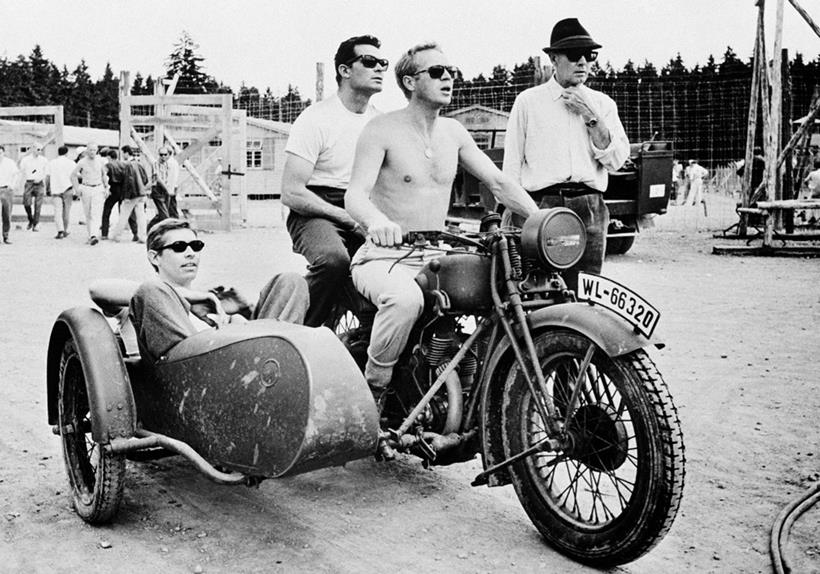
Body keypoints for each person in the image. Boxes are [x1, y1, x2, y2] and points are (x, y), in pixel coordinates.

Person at [345, 42, 539, 399]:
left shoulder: (454, 133)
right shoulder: (381, 130)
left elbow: (498, 182)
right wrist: (376, 222)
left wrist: (541, 219)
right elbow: (354, 195)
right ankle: (374, 389)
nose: (447, 78)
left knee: (495, 296)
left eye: (450, 72)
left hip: (435, 256)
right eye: (436, 72)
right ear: (409, 82)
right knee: (404, 300)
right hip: (384, 256)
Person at [503, 18, 630, 293]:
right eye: (574, 55)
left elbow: (616, 160)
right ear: (553, 58)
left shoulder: (602, 104)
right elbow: (511, 166)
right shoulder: (528, 102)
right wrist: (513, 212)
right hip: (540, 206)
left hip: (589, 208)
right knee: (535, 293)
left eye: (590, 55)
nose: (583, 62)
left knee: (585, 295)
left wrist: (591, 117)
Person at [281, 34, 385, 327]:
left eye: (383, 63)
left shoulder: (381, 122)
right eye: (369, 61)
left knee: (396, 271)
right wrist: (344, 216)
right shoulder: (316, 119)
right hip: (316, 207)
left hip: (363, 205)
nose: (379, 68)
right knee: (333, 261)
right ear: (344, 70)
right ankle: (299, 331)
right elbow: (291, 192)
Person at [129, 218, 309, 365]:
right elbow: (100, 290)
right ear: (154, 257)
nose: (190, 253)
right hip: (196, 373)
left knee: (290, 282)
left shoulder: (214, 305)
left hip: (244, 363)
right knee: (150, 290)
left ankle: (276, 363)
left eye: (196, 246)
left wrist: (242, 319)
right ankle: (274, 364)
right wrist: (191, 296)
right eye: (179, 247)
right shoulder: (149, 298)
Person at [71, 143, 109, 246]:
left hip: (98, 188)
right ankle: (91, 235)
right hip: (86, 188)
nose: (92, 152)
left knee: (95, 213)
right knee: (88, 214)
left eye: (94, 150)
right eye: (90, 150)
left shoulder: (101, 161)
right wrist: (77, 189)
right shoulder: (82, 162)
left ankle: (94, 235)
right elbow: (73, 175)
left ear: (97, 151)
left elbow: (104, 175)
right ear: (87, 151)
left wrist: (106, 187)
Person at [109, 145, 149, 243]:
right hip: (141, 193)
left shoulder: (127, 165)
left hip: (132, 195)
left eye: (122, 153)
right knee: (141, 216)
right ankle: (142, 236)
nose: (122, 155)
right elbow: (145, 179)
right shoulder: (139, 164)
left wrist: (126, 196)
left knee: (124, 215)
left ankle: (117, 236)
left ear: (126, 153)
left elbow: (128, 181)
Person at [101, 148, 137, 240]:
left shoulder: (108, 165)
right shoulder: (124, 164)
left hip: (113, 190)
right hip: (123, 190)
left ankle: (104, 234)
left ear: (109, 157)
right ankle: (135, 233)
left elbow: (104, 176)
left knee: (107, 211)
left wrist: (106, 187)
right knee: (126, 212)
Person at [45, 145, 77, 239]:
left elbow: (48, 177)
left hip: (56, 190)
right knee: (66, 211)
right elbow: (75, 177)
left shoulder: (52, 163)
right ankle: (66, 230)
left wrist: (48, 188)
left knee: (57, 211)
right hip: (68, 189)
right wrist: (76, 190)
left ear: (58, 153)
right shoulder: (71, 163)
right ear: (67, 153)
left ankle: (60, 231)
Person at [148, 145, 180, 230]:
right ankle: (168, 231)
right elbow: (158, 179)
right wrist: (168, 189)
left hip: (166, 190)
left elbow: (171, 178)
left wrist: (172, 188)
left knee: (162, 213)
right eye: (161, 154)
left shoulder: (167, 163)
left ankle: (149, 229)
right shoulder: (156, 163)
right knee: (165, 214)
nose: (163, 156)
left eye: (165, 154)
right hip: (158, 190)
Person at [19, 143, 48, 231]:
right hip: (29, 182)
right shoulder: (25, 160)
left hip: (39, 183)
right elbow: (22, 171)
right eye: (38, 149)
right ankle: (30, 220)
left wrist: (40, 178)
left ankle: (36, 224)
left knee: (38, 205)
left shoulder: (44, 160)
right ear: (33, 149)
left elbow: (46, 172)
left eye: (41, 150)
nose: (40, 151)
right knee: (26, 203)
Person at [0, 145, 20, 244]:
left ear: (3, 153)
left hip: (6, 189)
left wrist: (12, 185)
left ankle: (6, 235)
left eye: (0, 153)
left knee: (6, 214)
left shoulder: (9, 163)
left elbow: (16, 174)